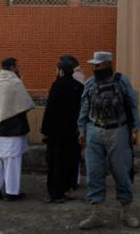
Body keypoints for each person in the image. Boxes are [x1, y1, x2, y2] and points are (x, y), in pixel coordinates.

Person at [77, 51, 140, 230]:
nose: (95, 68)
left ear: (107, 64)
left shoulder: (122, 81)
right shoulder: (90, 83)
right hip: (94, 131)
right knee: (94, 173)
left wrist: (135, 128)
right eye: (94, 65)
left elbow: (133, 105)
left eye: (98, 65)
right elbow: (84, 106)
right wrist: (81, 129)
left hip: (118, 132)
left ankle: (126, 211)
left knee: (122, 172)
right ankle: (96, 213)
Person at [0, 58, 35, 202]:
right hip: (13, 129)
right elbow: (27, 103)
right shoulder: (15, 82)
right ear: (12, 68)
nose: (19, 68)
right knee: (12, 162)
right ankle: (11, 192)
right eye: (18, 66)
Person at [41, 55, 84, 203]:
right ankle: (68, 190)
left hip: (56, 133)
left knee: (55, 164)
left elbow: (50, 110)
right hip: (72, 132)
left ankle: (55, 193)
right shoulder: (79, 87)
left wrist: (45, 130)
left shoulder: (57, 86)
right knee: (70, 162)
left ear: (61, 71)